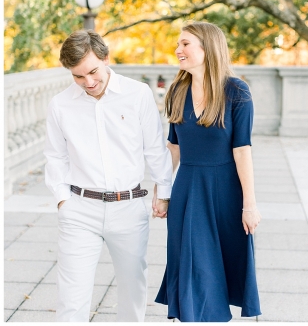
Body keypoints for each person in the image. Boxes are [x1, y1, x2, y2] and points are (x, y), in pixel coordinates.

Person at [44, 30, 173, 321]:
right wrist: (63, 202)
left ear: (105, 58)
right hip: (79, 210)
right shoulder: (60, 105)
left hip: (128, 207)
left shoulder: (137, 94)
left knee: (132, 293)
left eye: (92, 71)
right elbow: (55, 156)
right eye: (78, 76)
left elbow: (155, 149)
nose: (88, 83)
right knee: (71, 299)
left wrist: (163, 193)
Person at [155, 22, 261, 321]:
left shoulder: (236, 91)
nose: (178, 50)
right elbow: (173, 147)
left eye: (185, 44)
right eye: (178, 44)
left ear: (207, 47)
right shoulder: (177, 90)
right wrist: (161, 193)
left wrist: (249, 205)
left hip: (226, 191)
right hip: (188, 190)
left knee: (220, 267)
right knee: (192, 265)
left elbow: (242, 149)